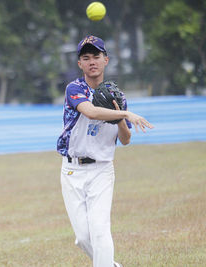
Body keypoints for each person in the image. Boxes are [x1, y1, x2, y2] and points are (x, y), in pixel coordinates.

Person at [57, 35, 153, 267]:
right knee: (83, 238)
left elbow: (126, 139)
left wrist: (120, 115)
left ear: (106, 60)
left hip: (101, 170)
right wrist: (125, 114)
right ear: (80, 64)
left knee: (100, 232)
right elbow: (90, 111)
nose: (92, 61)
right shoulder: (75, 88)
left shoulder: (117, 96)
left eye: (97, 56)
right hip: (72, 170)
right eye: (86, 57)